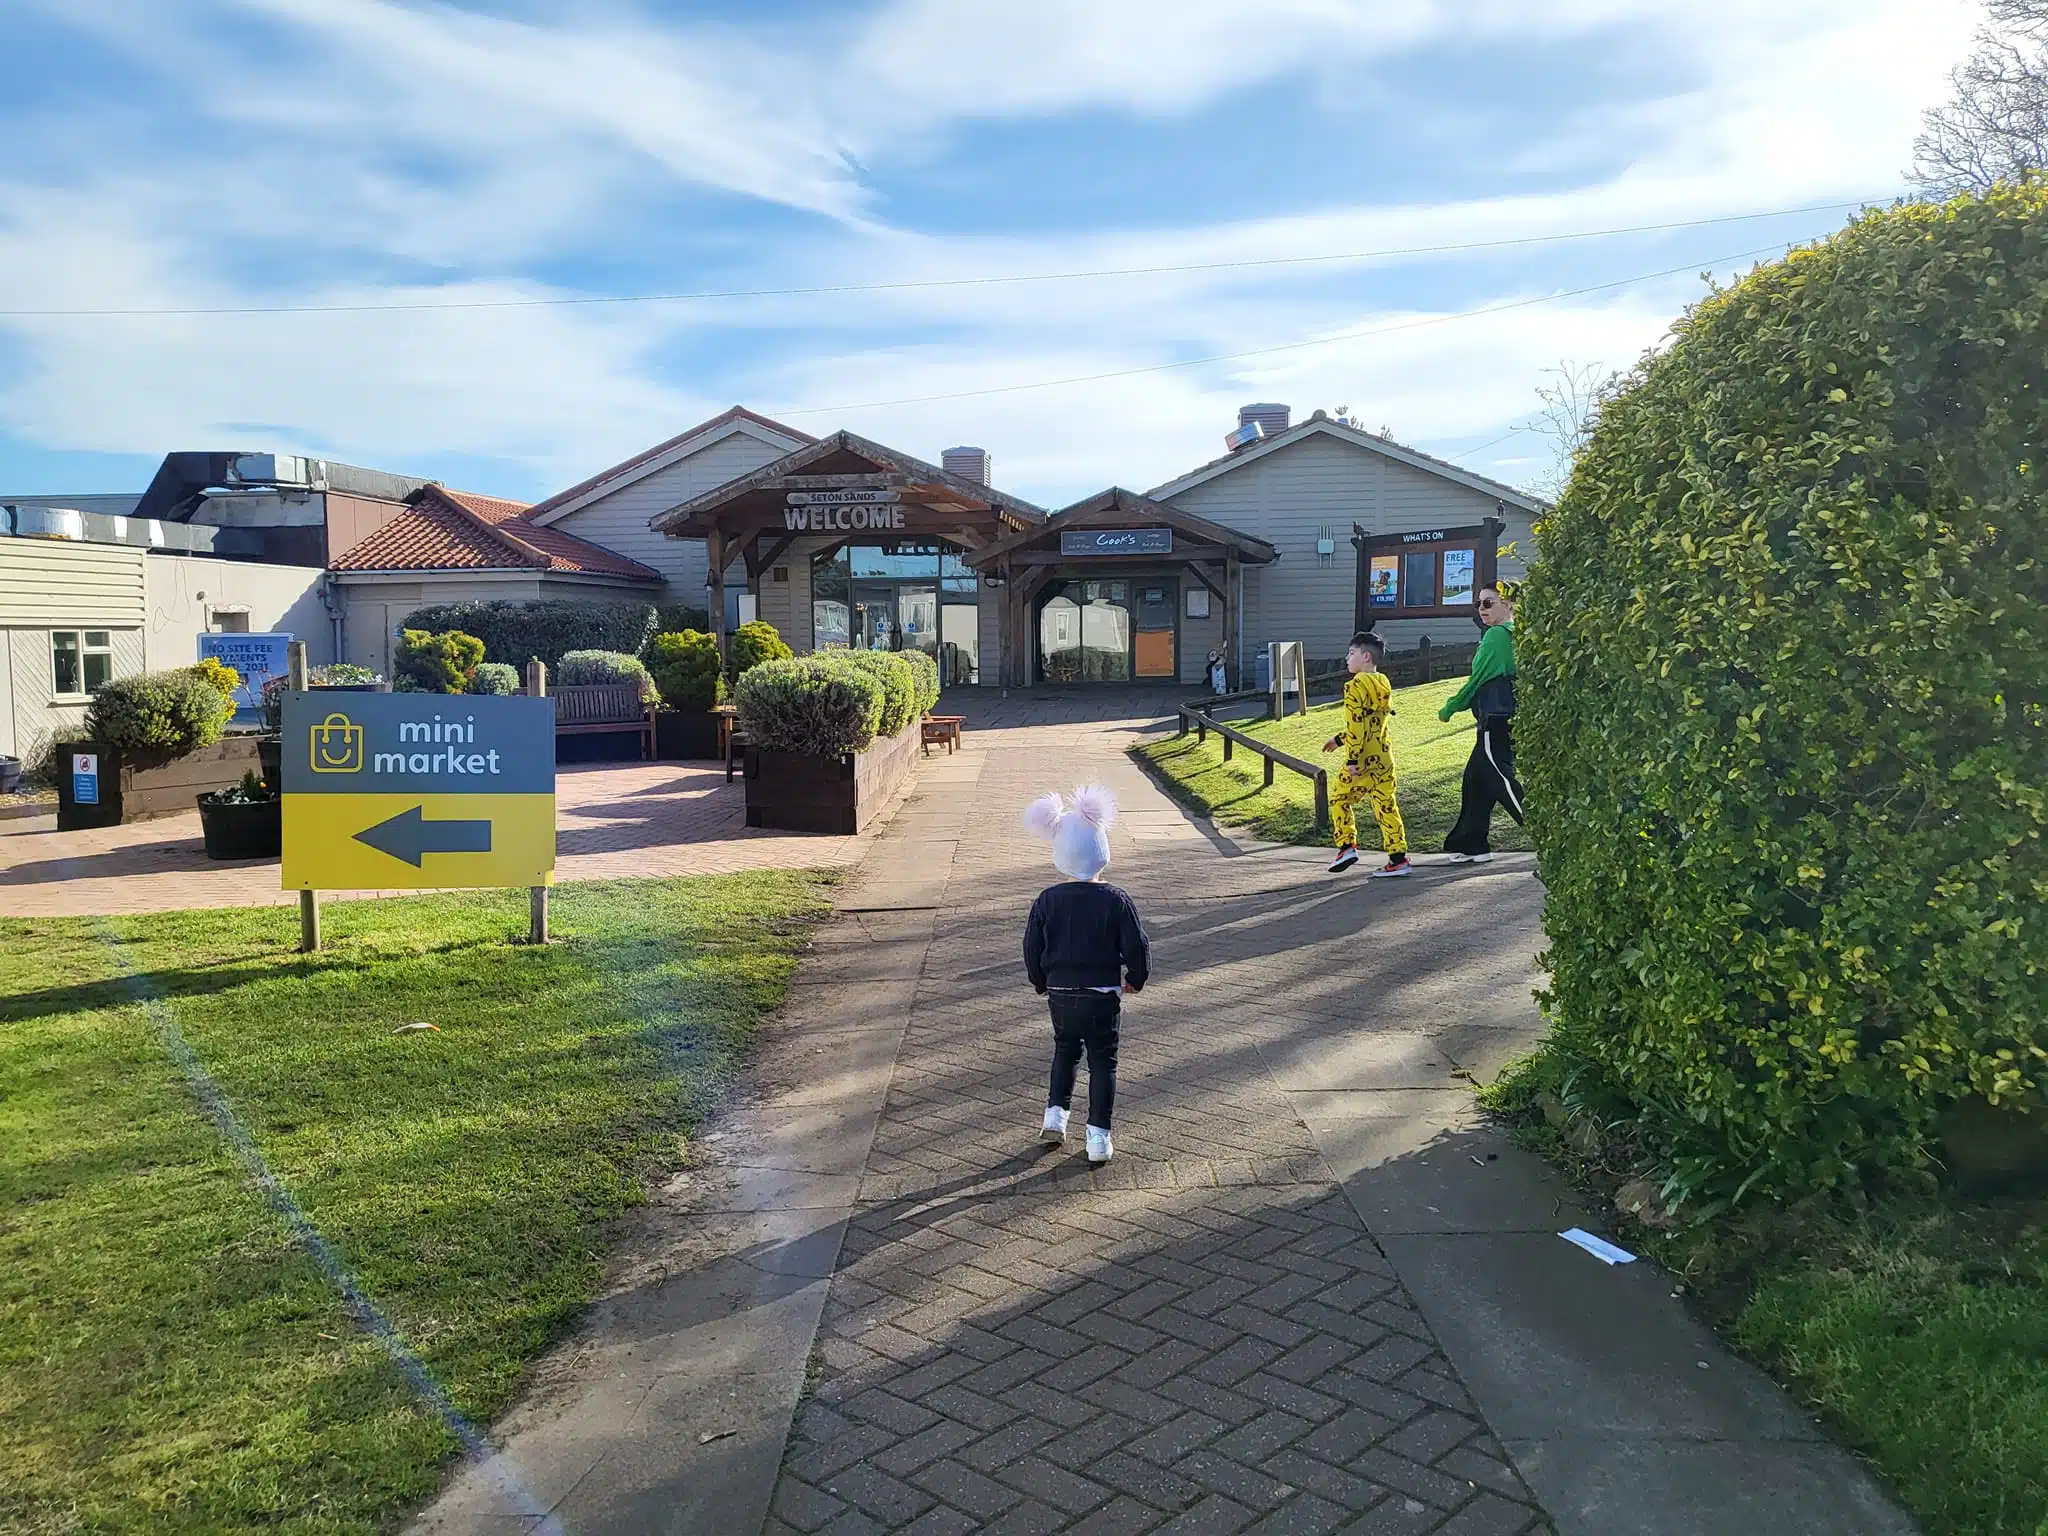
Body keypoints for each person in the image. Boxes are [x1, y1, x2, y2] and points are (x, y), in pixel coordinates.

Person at [1021, 786, 1150, 1166]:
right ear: (1101, 852)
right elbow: (1136, 944)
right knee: (1103, 1061)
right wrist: (1137, 977)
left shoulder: (1047, 900)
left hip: (1061, 992)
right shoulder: (1116, 900)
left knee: (1065, 1049)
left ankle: (1055, 1116)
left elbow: (1032, 946)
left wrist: (1039, 980)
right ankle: (1098, 1136)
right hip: (1103, 993)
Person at [1438, 585, 1526, 863]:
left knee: (1500, 777)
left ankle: (1546, 832)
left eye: (1488, 603)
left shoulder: (1497, 635)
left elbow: (1477, 680)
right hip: (1506, 717)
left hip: (1495, 719)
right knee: (1475, 780)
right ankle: (1472, 844)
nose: (1481, 609)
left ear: (1508, 605)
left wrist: (1450, 707)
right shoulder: (1516, 634)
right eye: (1478, 604)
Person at [1320, 631, 1412, 878]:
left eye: (1352, 653)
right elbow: (1371, 723)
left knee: (1340, 799)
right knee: (1386, 806)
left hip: (1361, 761)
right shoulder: (1383, 682)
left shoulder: (1354, 686)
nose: (1347, 658)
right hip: (1383, 758)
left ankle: (1346, 846)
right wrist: (1338, 740)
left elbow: (1357, 725)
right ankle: (1398, 859)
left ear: (1366, 657)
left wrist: (1352, 759)